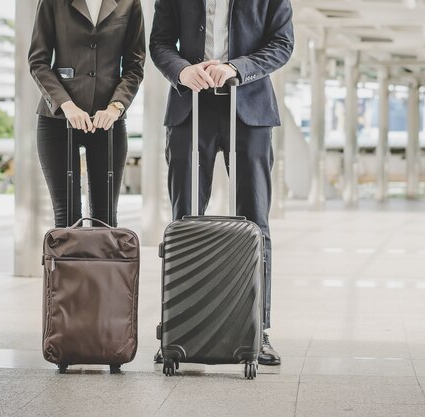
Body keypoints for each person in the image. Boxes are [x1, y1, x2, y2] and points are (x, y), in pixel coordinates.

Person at [150, 0, 294, 365]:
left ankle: (256, 332)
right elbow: (160, 43)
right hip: (190, 108)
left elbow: (282, 43)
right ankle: (177, 330)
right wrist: (182, 71)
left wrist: (236, 68)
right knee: (184, 221)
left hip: (250, 109)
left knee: (255, 222)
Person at [28, 0, 145, 227]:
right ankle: (68, 264)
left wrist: (116, 107)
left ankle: (103, 264)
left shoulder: (129, 3)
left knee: (106, 218)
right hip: (58, 121)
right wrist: (67, 106)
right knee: (67, 218)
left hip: (108, 121)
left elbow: (134, 65)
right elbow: (38, 61)